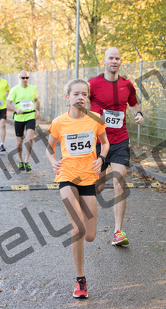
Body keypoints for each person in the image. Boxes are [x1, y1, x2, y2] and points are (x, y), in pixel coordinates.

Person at [45, 78, 109, 298]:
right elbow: (49, 148)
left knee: (90, 235)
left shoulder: (96, 119)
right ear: (67, 97)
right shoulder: (59, 122)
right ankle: (80, 280)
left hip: (89, 179)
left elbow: (106, 142)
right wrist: (53, 161)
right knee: (78, 228)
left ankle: (81, 229)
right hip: (67, 178)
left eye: (84, 94)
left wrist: (101, 158)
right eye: (76, 94)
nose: (81, 97)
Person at [89, 47, 144, 246]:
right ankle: (83, 198)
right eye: (110, 58)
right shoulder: (93, 84)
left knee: (120, 182)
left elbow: (134, 104)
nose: (114, 61)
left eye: (117, 58)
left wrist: (139, 114)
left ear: (121, 61)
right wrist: (91, 118)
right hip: (98, 142)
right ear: (104, 60)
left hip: (120, 141)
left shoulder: (127, 85)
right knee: (99, 187)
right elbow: (80, 106)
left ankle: (118, 232)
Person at [7, 70, 40, 171]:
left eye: (27, 78)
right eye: (23, 78)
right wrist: (16, 109)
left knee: (29, 138)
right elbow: (8, 103)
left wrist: (37, 110)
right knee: (19, 142)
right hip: (19, 118)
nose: (25, 80)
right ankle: (21, 160)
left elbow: (37, 101)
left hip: (30, 116)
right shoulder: (15, 90)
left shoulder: (33, 88)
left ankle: (27, 160)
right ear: (19, 78)